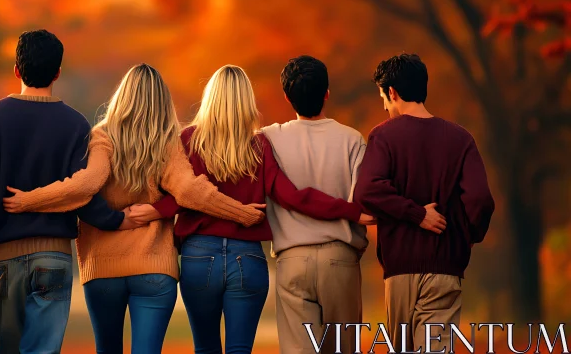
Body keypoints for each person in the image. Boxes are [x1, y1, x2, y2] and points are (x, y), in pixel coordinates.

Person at [3, 63, 267, 354]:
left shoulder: (101, 137)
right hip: (154, 269)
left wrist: (29, 199)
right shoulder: (168, 143)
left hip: (102, 270)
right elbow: (190, 191)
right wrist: (243, 213)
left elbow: (86, 184)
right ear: (163, 101)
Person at [128, 65, 373, 354]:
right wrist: (350, 210)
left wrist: (156, 210)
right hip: (247, 258)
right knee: (240, 349)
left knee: (205, 348)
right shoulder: (259, 145)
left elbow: (179, 196)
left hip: (198, 257)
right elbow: (293, 197)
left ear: (210, 97)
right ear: (246, 100)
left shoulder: (186, 141)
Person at [0, 30, 140, 354]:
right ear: (58, 72)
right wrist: (117, 220)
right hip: (55, 257)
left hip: (3, 255)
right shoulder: (75, 124)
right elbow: (82, 194)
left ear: (16, 70)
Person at [353, 53, 495, 352]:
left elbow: (367, 190)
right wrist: (466, 237)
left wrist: (413, 214)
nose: (383, 106)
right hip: (446, 267)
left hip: (400, 270)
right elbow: (480, 199)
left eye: (383, 96)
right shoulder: (460, 138)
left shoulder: (383, 136)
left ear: (392, 92)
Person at [261, 56, 372, 354]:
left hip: (292, 260)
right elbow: (363, 205)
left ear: (287, 97)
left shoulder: (268, 138)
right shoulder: (353, 140)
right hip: (341, 259)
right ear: (327, 93)